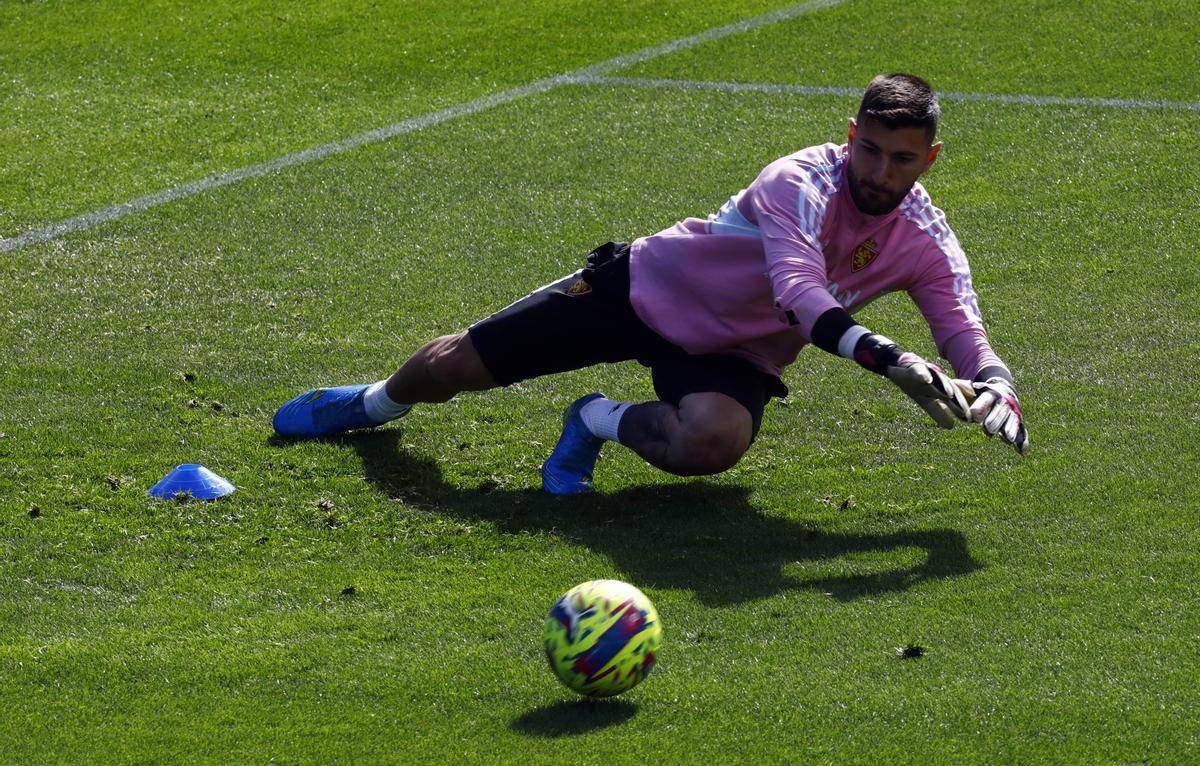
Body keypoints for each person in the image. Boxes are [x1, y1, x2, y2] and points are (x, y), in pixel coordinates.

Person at [273, 73, 1029, 495]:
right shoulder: (798, 181)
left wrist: (996, 388)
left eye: (900, 159)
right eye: (869, 150)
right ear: (851, 135)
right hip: (645, 290)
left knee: (713, 443)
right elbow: (801, 296)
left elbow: (964, 330)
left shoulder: (926, 240)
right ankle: (370, 404)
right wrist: (893, 361)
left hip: (737, 353)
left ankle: (595, 419)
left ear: (928, 160)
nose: (878, 172)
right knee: (449, 369)